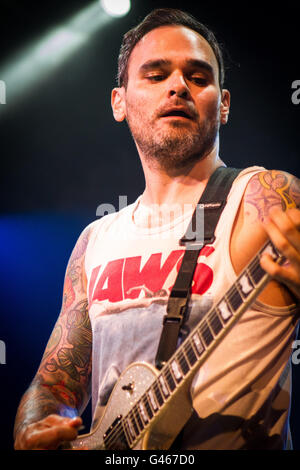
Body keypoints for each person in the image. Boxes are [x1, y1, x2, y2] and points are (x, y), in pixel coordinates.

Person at [14, 8, 300, 450]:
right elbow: (53, 387)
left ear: (223, 105)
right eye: (156, 74)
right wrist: (35, 426)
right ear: (119, 102)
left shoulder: (262, 199)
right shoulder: (96, 241)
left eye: (199, 77)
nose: (179, 86)